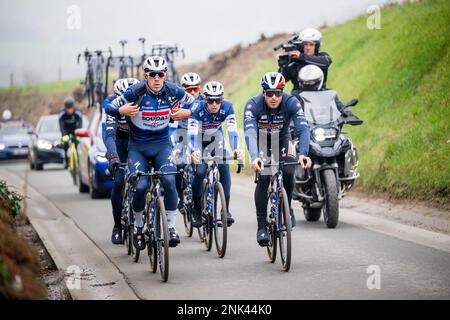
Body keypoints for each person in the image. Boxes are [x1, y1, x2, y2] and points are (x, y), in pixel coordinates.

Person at [104, 56, 195, 249]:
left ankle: (170, 227)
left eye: (160, 74)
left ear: (165, 75)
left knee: (170, 180)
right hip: (137, 148)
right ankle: (138, 225)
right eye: (151, 74)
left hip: (162, 145)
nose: (156, 78)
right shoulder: (135, 92)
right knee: (140, 185)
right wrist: (121, 110)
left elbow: (198, 104)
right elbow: (108, 107)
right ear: (145, 76)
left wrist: (188, 112)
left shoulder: (172, 90)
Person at [243, 72, 312, 246]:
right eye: (269, 93)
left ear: (283, 92)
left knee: (289, 170)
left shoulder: (291, 102)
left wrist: (303, 153)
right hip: (262, 142)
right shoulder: (253, 105)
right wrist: (254, 157)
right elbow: (250, 133)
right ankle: (261, 227)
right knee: (265, 176)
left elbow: (303, 129)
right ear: (263, 92)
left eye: (278, 93)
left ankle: (286, 208)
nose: (274, 97)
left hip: (282, 139)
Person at [188, 81, 244, 228]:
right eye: (211, 100)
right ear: (205, 99)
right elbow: (191, 135)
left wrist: (236, 148)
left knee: (224, 165)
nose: (214, 104)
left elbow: (232, 131)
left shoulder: (227, 107)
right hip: (198, 139)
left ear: (222, 99)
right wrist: (193, 151)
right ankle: (197, 209)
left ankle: (226, 210)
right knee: (200, 172)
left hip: (215, 137)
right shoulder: (197, 108)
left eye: (217, 100)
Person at [103, 78, 139, 245]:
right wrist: (113, 156)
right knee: (118, 182)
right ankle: (117, 225)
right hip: (118, 141)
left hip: (136, 141)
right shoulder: (111, 104)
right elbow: (109, 135)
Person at [170, 72, 203, 212]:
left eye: (195, 89)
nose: (193, 92)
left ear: (200, 88)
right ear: (183, 90)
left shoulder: (205, 100)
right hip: (181, 134)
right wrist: (175, 148)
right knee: (180, 163)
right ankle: (179, 196)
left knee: (202, 165)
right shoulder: (176, 103)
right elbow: (171, 128)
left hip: (200, 135)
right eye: (189, 90)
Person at [278, 28, 332, 96]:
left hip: (321, 96)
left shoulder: (322, 56)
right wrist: (283, 66)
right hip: (299, 99)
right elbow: (280, 81)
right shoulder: (294, 62)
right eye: (305, 44)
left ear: (317, 46)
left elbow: (326, 62)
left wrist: (301, 56)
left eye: (311, 45)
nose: (308, 48)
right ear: (301, 46)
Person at [58, 96, 83, 168]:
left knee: (78, 144)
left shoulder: (78, 113)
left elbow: (80, 125)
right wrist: (64, 135)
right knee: (65, 144)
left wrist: (79, 133)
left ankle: (78, 161)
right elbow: (61, 126)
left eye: (71, 108)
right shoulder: (62, 114)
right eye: (68, 108)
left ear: (73, 107)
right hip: (66, 131)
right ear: (65, 108)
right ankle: (66, 161)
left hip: (75, 131)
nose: (69, 110)